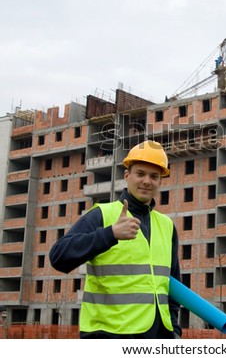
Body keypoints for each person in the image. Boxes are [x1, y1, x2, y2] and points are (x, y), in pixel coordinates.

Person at [50, 140, 182, 339]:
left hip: (157, 335)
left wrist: (174, 330)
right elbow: (59, 257)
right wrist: (109, 234)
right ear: (126, 175)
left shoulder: (166, 225)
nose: (147, 181)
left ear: (160, 181)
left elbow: (172, 284)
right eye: (140, 174)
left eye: (154, 176)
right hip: (109, 334)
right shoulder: (102, 215)